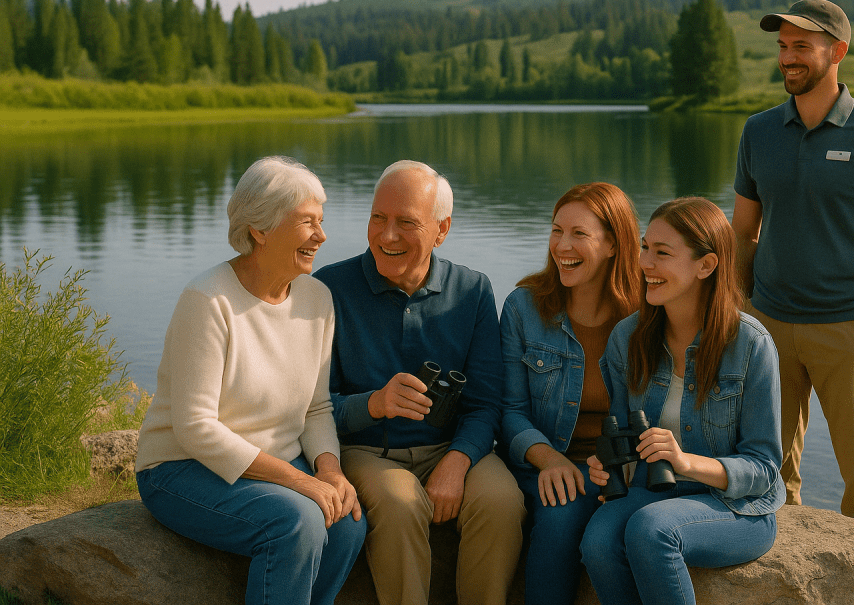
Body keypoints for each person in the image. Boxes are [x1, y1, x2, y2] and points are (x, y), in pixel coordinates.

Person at [731, 0, 854, 543]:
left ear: (837, 52)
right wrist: (743, 312)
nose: (788, 58)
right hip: (768, 328)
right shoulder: (759, 132)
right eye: (782, 47)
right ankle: (778, 580)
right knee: (767, 473)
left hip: (848, 330)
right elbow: (742, 235)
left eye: (801, 46)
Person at [134, 156, 366, 605]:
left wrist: (329, 471)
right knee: (296, 521)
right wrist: (301, 482)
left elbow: (316, 408)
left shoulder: (317, 299)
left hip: (271, 464)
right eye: (307, 223)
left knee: (349, 521)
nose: (321, 236)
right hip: (181, 467)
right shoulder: (208, 300)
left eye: (321, 221)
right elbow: (196, 429)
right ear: (259, 229)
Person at [313, 160, 525, 605]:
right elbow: (309, 408)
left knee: (502, 502)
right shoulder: (328, 288)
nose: (386, 236)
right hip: (366, 451)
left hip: (451, 449)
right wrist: (373, 404)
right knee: (400, 504)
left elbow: (486, 403)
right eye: (378, 218)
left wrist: (458, 461)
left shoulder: (472, 290)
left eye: (406, 223)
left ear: (441, 229)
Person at [580, 196, 784, 605]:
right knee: (598, 541)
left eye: (662, 253)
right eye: (644, 248)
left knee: (653, 529)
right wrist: (610, 463)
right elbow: (622, 433)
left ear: (706, 266)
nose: (644, 263)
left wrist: (685, 462)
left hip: (737, 506)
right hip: (652, 491)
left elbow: (763, 468)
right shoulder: (628, 336)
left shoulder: (751, 344)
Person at [500, 182, 644, 605]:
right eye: (556, 230)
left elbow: (658, 411)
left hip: (620, 470)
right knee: (561, 516)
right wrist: (549, 459)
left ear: (615, 244)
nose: (562, 245)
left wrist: (622, 462)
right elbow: (509, 412)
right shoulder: (524, 307)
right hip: (541, 463)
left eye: (579, 234)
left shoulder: (645, 316)